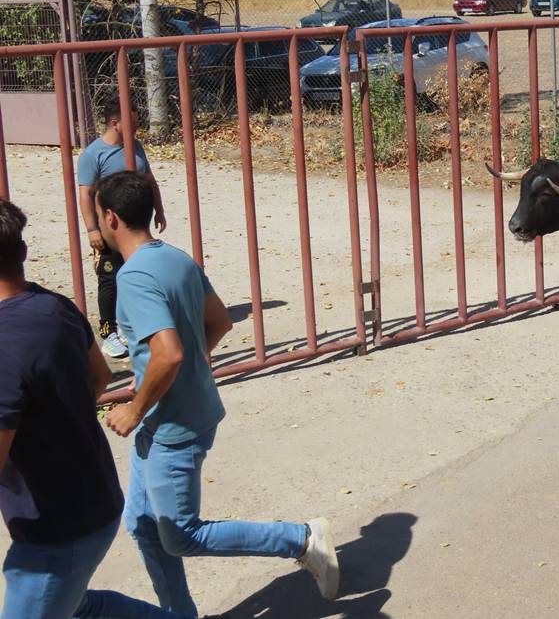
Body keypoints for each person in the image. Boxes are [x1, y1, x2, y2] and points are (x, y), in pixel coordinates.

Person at [94, 172, 339, 616]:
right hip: (177, 412)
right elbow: (220, 321)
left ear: (110, 217)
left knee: (181, 534)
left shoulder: (132, 277)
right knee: (144, 525)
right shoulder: (175, 258)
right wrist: (164, 378)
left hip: (173, 425)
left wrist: (135, 406)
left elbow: (167, 355)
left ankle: (301, 539)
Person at [0, 198, 204, 619]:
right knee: (78, 607)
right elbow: (101, 375)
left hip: (57, 529)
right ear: (22, 252)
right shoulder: (55, 306)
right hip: (91, 500)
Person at [78, 98, 167, 359]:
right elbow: (85, 195)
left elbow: (150, 181)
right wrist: (92, 229)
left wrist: (159, 209)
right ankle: (108, 333)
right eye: (134, 121)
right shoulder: (93, 154)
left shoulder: (135, 147)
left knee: (141, 273)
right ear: (115, 123)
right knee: (110, 278)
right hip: (109, 230)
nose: (138, 126)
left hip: (137, 225)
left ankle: (137, 325)